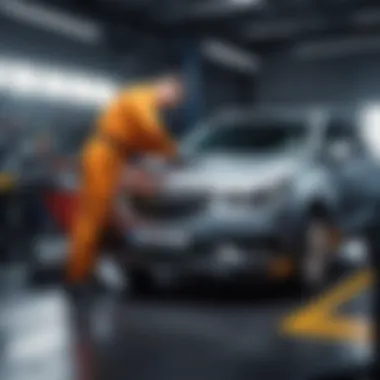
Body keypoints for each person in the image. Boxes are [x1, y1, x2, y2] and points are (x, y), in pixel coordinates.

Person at [66, 76, 184, 290]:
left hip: (115, 157)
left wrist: (167, 155)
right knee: (93, 216)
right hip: (104, 155)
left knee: (108, 217)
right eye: (170, 101)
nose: (167, 106)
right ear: (166, 88)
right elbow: (150, 129)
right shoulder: (140, 98)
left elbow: (145, 140)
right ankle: (78, 277)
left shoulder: (144, 102)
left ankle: (89, 270)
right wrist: (173, 151)